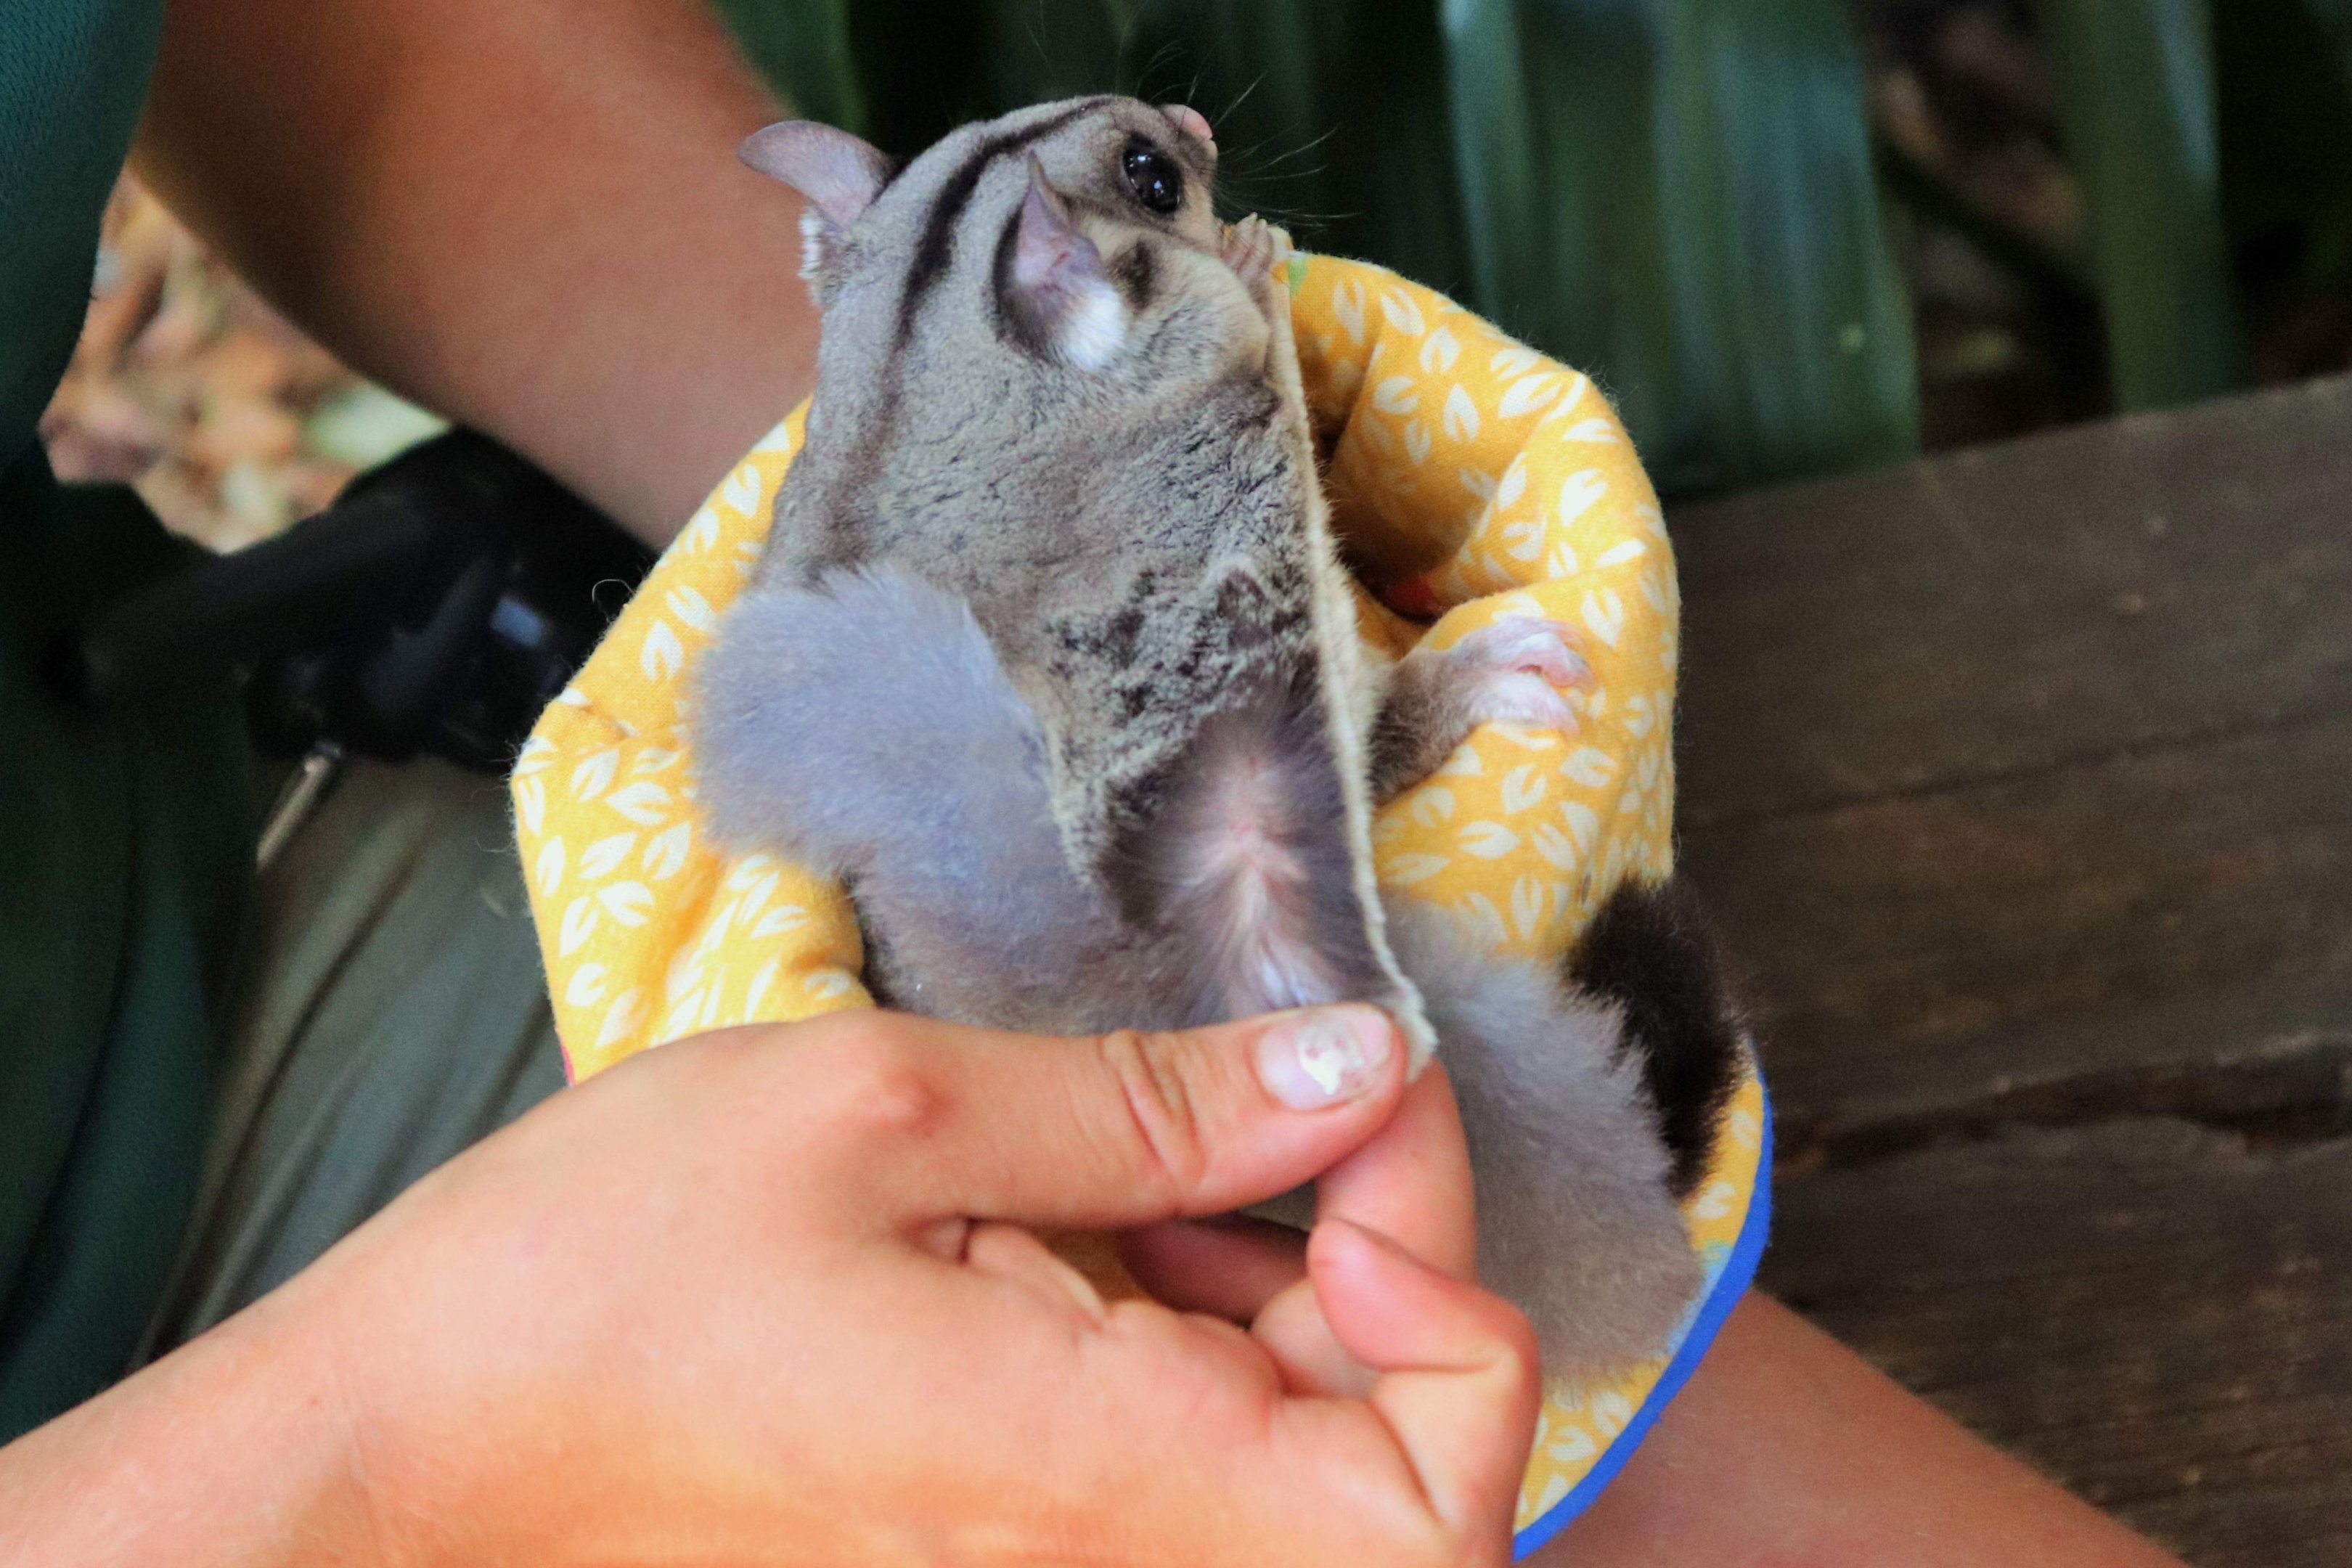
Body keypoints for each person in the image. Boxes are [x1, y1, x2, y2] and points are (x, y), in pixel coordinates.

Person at [0, 0, 2190, 1561]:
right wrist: (385, 1462)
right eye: (1161, 199)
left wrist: (1000, 496)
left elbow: (362, 59)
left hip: (194, 984)